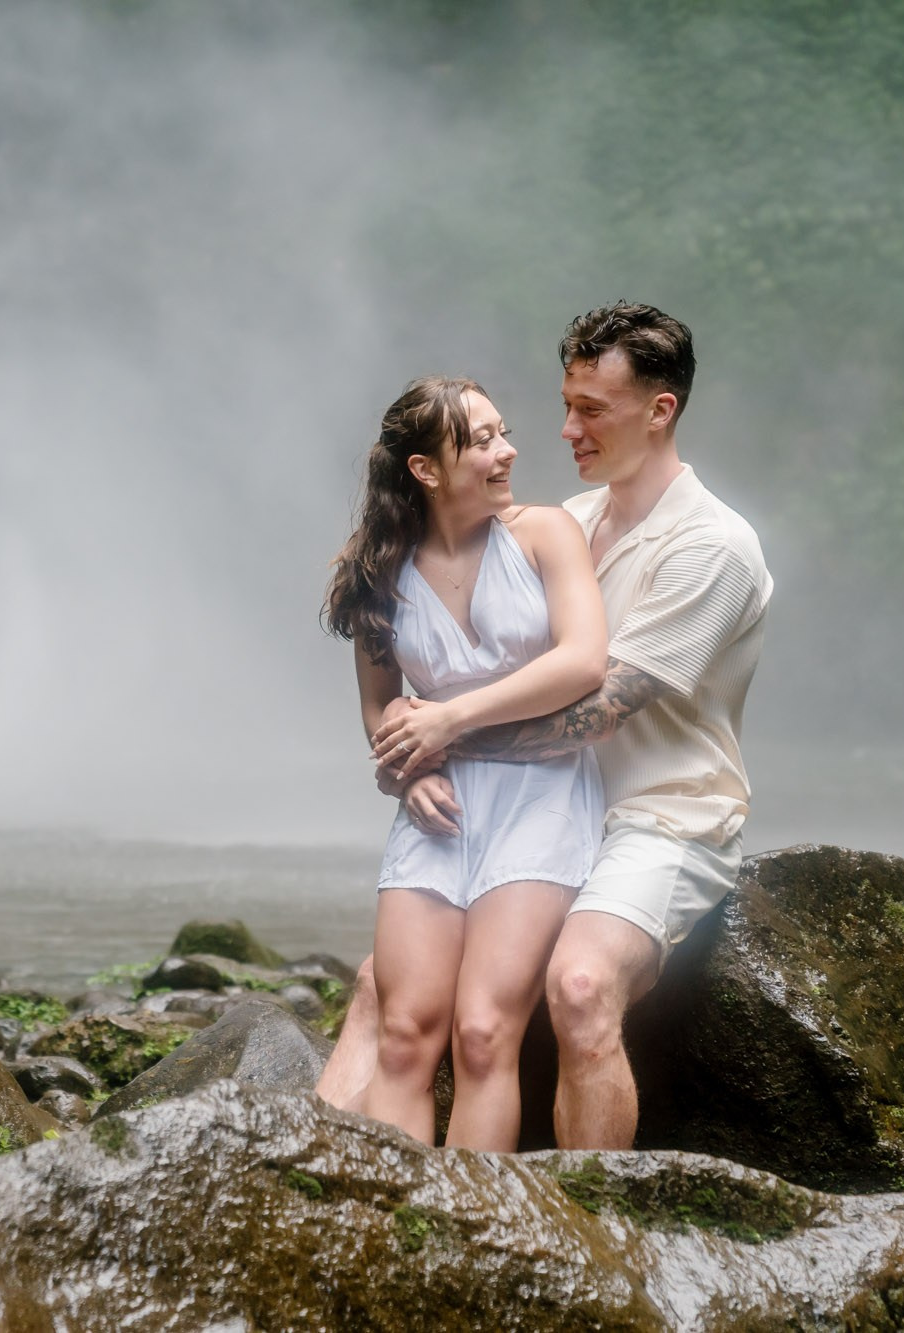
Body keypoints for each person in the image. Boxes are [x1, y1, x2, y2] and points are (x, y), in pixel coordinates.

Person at [316, 302, 773, 1153]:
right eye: (566, 403)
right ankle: (321, 1179)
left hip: (655, 813)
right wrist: (405, 760)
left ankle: (583, 1234)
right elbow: (409, 671)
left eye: (590, 410)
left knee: (579, 981)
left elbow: (595, 704)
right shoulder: (569, 516)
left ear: (660, 409)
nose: (563, 429)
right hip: (556, 802)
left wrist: (434, 733)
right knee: (388, 983)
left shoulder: (712, 547)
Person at [320, 375, 608, 1147]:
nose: (508, 450)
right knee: (408, 1032)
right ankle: (394, 1228)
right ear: (425, 469)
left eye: (502, 432)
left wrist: (447, 717)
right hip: (439, 806)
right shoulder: (376, 567)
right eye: (481, 440)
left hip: (541, 793)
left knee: (482, 1032)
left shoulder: (545, 535)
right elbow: (380, 708)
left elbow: (584, 662)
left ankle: (471, 1233)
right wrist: (409, 770)